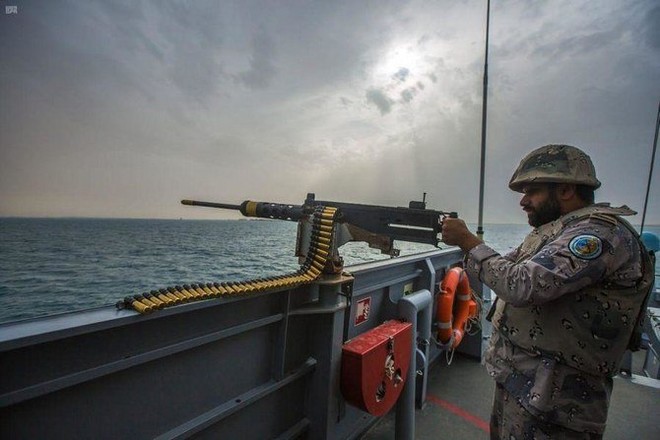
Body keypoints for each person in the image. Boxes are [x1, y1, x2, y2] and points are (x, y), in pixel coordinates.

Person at [441, 144, 655, 440]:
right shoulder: (558, 230)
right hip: (523, 381)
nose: (523, 201)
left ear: (566, 190)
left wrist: (467, 241)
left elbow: (521, 284)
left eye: (532, 191)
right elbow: (507, 268)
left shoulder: (598, 234)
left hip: (559, 399)